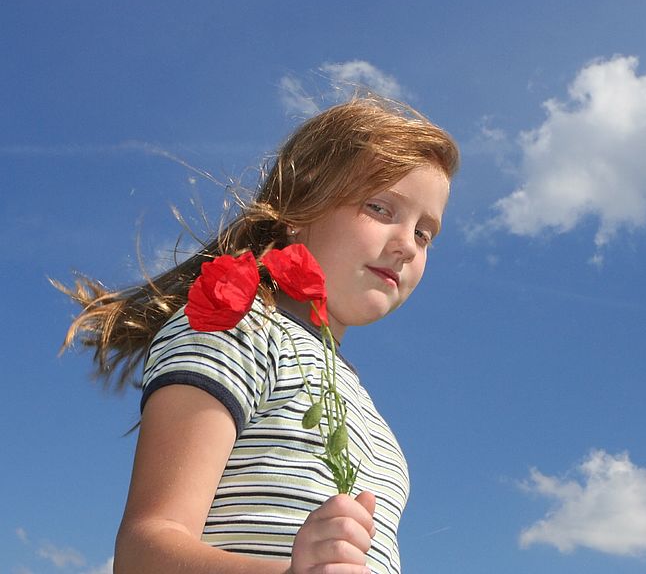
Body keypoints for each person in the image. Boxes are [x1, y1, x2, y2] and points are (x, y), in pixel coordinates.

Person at [55, 95, 460, 574]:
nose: (407, 247)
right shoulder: (237, 325)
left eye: (424, 234)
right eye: (380, 207)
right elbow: (145, 550)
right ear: (298, 208)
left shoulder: (368, 411)